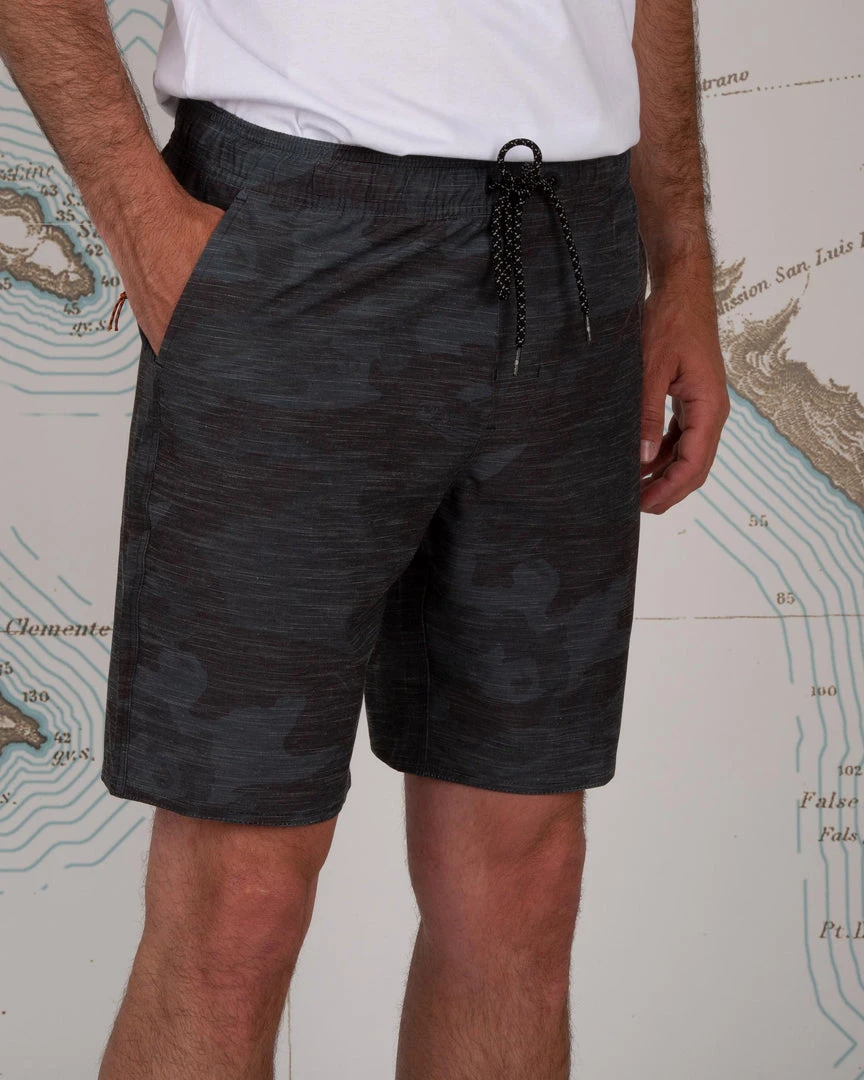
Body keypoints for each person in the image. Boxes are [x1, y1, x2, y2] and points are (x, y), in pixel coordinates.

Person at [0, 0, 729, 1075]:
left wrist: (683, 256)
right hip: (294, 227)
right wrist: (141, 225)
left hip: (572, 248)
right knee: (238, 903)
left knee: (523, 879)